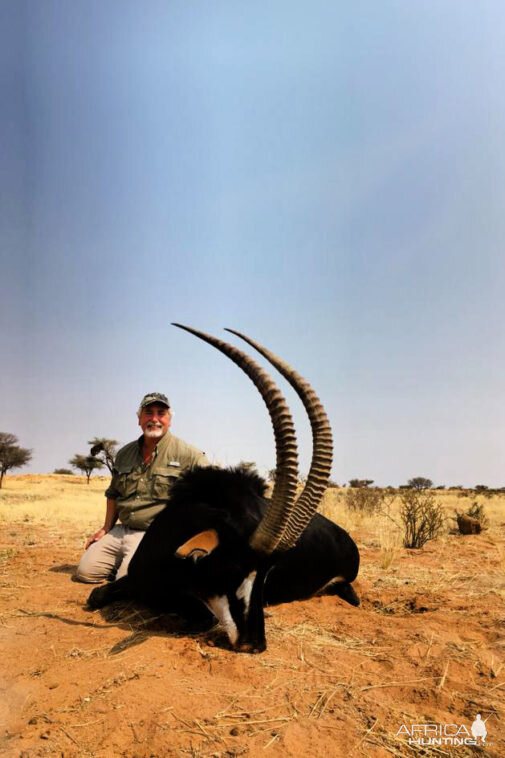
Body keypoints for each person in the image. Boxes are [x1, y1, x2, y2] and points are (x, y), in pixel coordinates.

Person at [74, 392, 209, 583]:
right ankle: (128, 562)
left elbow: (213, 492)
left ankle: (147, 568)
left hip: (154, 535)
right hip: (122, 530)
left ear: (169, 419)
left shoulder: (190, 455)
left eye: (161, 413)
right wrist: (106, 528)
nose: (154, 419)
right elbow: (113, 493)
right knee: (85, 573)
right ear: (139, 419)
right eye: (148, 413)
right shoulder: (124, 454)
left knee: (127, 582)